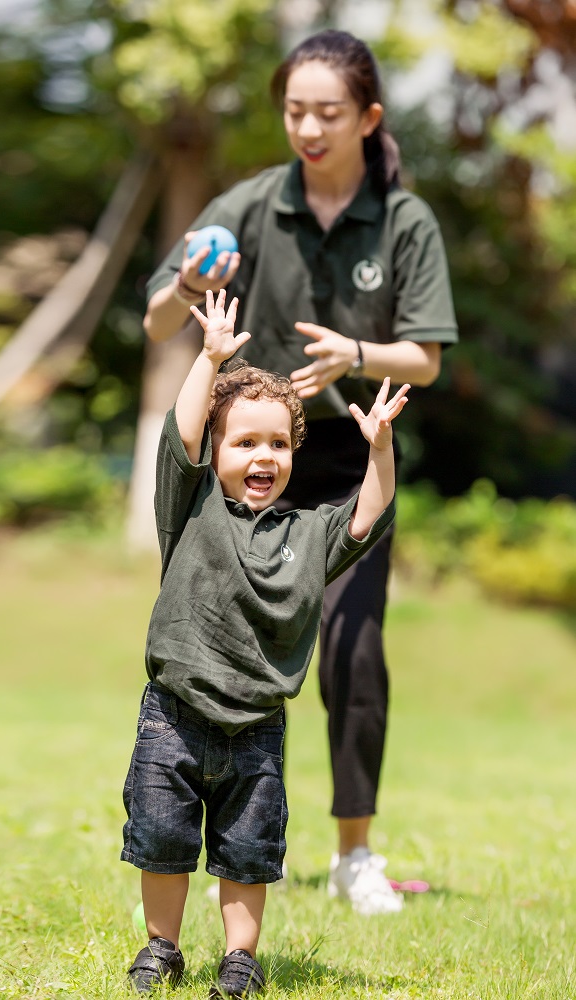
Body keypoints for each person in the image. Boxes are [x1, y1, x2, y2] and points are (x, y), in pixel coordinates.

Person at [142, 29, 458, 916]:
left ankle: (355, 853)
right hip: (249, 467)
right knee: (209, 641)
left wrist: (356, 352)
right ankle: (188, 834)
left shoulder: (404, 221)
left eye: (328, 112)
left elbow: (427, 358)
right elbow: (155, 322)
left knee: (353, 652)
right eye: (294, 111)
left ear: (368, 118)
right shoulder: (246, 203)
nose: (309, 128)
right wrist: (187, 281)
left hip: (347, 461)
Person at [122, 288, 408, 995]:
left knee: (247, 854)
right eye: (245, 441)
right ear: (217, 450)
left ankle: (239, 959)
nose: (263, 455)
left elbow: (368, 515)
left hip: (257, 729)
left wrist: (380, 448)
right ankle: (161, 948)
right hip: (174, 717)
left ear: (293, 453)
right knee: (162, 840)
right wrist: (212, 358)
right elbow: (181, 432)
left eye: (277, 443)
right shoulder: (190, 509)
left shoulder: (306, 534)